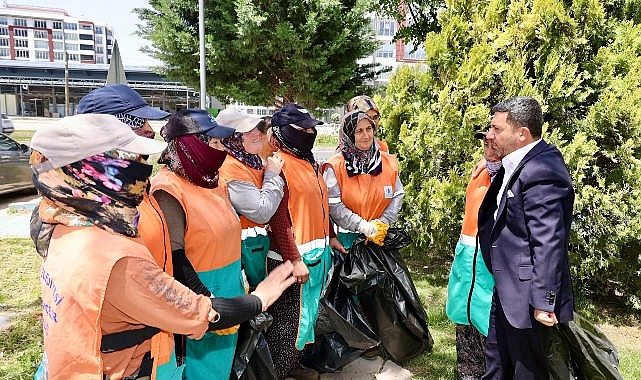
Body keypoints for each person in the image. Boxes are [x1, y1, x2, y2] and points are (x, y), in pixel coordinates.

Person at [29, 114, 296, 380]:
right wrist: (261, 298)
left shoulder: (63, 225)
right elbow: (201, 313)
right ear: (96, 171)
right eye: (133, 161)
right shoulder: (118, 259)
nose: (144, 171)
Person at [149, 108, 254, 379]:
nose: (222, 149)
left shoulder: (210, 180)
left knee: (219, 370)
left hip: (226, 297)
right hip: (200, 304)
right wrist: (208, 303)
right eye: (215, 142)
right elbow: (174, 257)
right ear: (191, 145)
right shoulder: (168, 189)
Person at [477, 96, 575, 380]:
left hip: (528, 299)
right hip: (507, 289)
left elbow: (548, 241)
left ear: (522, 133)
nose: (490, 135)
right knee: (496, 365)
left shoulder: (542, 170)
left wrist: (544, 302)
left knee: (525, 372)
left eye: (497, 129)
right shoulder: (518, 162)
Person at [321, 110, 404, 360]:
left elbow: (397, 195)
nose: (366, 135)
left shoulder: (387, 161)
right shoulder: (335, 165)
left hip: (378, 237)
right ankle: (358, 341)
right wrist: (362, 225)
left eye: (369, 129)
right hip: (348, 240)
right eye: (359, 130)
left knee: (377, 289)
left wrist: (381, 224)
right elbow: (333, 206)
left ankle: (380, 335)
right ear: (348, 134)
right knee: (351, 293)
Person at [263, 103, 333, 380]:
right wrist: (295, 260)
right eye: (303, 128)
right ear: (283, 132)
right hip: (292, 261)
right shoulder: (279, 165)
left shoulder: (308, 161)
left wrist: (333, 238)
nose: (310, 132)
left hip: (315, 257)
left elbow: (318, 205)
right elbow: (279, 221)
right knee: (288, 325)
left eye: (312, 127)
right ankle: (278, 373)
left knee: (304, 322)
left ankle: (292, 367)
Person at [445, 131, 501, 379]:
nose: (489, 149)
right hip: (468, 263)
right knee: (465, 320)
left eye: (494, 143)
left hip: (489, 268)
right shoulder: (479, 173)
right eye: (485, 143)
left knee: (488, 327)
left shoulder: (512, 176)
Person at [216, 107, 285, 287]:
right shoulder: (231, 168)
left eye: (255, 128)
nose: (257, 134)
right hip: (245, 255)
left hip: (254, 250)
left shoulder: (248, 160)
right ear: (232, 138)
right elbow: (261, 212)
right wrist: (272, 176)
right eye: (247, 132)